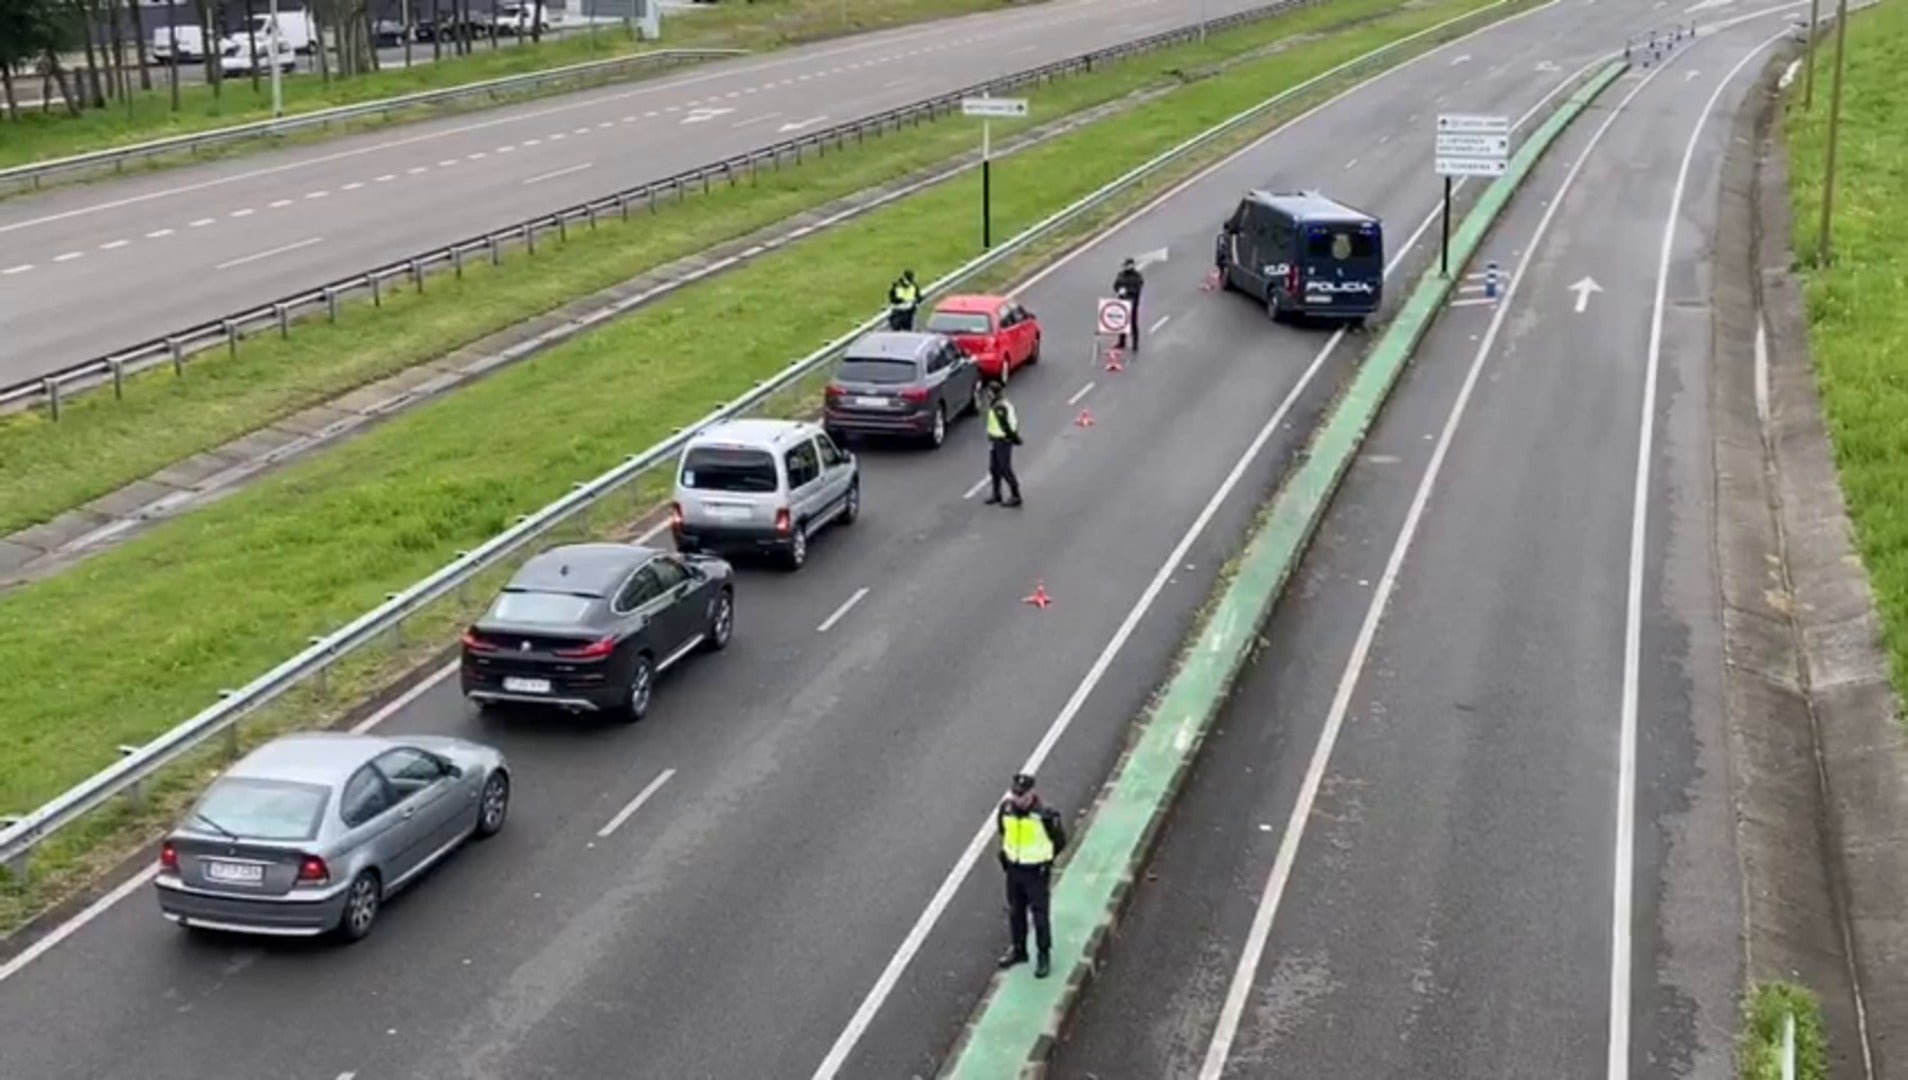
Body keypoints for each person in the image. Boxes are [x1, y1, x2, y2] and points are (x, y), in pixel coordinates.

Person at [997, 772, 1067, 978]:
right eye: (1016, 794)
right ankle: (1019, 950)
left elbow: (1060, 840)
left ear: (1031, 793)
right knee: (1015, 911)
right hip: (1014, 869)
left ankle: (1043, 954)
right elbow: (1003, 831)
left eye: (1022, 795)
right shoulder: (1006, 810)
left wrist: (1047, 861)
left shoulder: (1045, 815)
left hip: (1036, 871)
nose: (1018, 799)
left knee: (1039, 915)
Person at [983, 377, 1022, 508]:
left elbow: (1006, 425)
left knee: (1005, 469)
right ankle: (996, 494)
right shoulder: (996, 404)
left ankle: (1016, 495)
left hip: (1002, 441)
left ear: (994, 393)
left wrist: (1014, 438)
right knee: (994, 468)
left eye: (989, 392)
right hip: (995, 440)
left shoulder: (1000, 407)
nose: (987, 394)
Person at [1113, 257, 1145, 353]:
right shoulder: (1120, 275)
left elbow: (1137, 289)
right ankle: (1122, 342)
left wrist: (1127, 291)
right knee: (1122, 322)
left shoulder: (1137, 276)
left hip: (1133, 303)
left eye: (1127, 265)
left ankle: (1135, 344)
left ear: (1131, 265)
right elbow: (1115, 285)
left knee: (1133, 323)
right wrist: (1119, 290)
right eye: (1125, 265)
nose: (1125, 267)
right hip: (1122, 302)